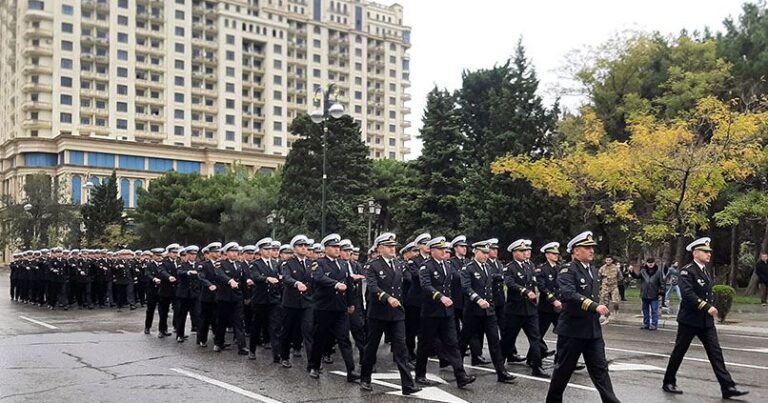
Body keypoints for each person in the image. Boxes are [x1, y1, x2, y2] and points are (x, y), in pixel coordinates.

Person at [662, 237, 748, 399]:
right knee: (679, 352)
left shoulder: (704, 271)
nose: (709, 254)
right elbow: (688, 295)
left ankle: (727, 386)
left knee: (716, 354)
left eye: (709, 251)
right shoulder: (687, 271)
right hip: (690, 320)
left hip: (705, 322)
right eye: (705, 251)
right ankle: (668, 381)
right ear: (695, 253)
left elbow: (707, 293)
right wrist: (707, 307)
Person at [546, 231, 620, 403]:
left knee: (600, 370)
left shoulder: (593, 270)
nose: (591, 251)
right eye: (587, 248)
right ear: (575, 251)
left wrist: (599, 309)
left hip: (592, 331)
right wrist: (595, 307)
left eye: (592, 247)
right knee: (563, 371)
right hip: (573, 330)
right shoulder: (567, 270)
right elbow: (568, 293)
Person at [360, 233, 420, 395]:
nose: (393, 249)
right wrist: (387, 298)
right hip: (378, 312)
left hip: (397, 313)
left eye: (394, 246)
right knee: (371, 347)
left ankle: (407, 384)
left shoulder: (399, 264)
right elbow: (372, 287)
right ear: (380, 248)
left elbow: (409, 282)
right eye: (389, 246)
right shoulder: (372, 265)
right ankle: (365, 378)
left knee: (401, 348)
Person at [415, 236, 476, 389]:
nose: (444, 252)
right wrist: (441, 297)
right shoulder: (426, 267)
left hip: (447, 313)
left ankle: (461, 376)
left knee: (452, 343)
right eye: (441, 249)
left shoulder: (448, 266)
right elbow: (426, 286)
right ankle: (420, 374)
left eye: (445, 249)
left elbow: (458, 282)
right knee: (425, 344)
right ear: (432, 251)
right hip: (431, 312)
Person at [459, 240, 516, 384]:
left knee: (494, 342)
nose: (485, 255)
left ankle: (501, 372)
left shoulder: (489, 268)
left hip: (488, 312)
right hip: (473, 311)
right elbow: (466, 288)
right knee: (464, 341)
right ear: (475, 252)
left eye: (486, 252)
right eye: (482, 252)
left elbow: (493, 284)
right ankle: (459, 372)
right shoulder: (468, 269)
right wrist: (477, 299)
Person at [307, 234, 359, 382]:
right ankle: (315, 366)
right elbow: (319, 278)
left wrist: (351, 303)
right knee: (320, 338)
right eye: (334, 247)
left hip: (340, 308)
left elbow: (348, 285)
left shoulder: (343, 264)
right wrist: (335, 284)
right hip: (323, 308)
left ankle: (351, 371)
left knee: (344, 339)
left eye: (338, 247)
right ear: (326, 249)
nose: (337, 250)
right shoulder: (319, 263)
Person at [502, 239, 549, 378]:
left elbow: (534, 283)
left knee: (535, 338)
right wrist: (524, 291)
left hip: (530, 309)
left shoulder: (529, 266)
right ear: (514, 253)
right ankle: (500, 367)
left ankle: (537, 366)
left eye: (525, 251)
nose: (525, 253)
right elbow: (509, 283)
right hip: (515, 310)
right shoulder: (509, 267)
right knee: (508, 339)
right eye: (521, 251)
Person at [279, 235, 315, 369]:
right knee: (287, 331)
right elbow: (286, 278)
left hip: (307, 303)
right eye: (301, 246)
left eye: (306, 246)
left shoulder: (312, 263)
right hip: (291, 303)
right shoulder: (287, 263)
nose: (304, 248)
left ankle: (312, 362)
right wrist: (296, 283)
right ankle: (284, 357)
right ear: (294, 249)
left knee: (308, 332)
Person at [213, 242, 248, 355]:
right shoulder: (220, 264)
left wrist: (246, 296)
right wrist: (229, 281)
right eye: (232, 251)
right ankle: (218, 343)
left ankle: (242, 346)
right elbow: (219, 275)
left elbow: (243, 282)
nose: (234, 253)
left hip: (237, 298)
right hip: (224, 297)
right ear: (227, 253)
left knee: (239, 322)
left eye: (236, 251)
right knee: (222, 321)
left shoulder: (239, 265)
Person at [404, 232, 431, 363]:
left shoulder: (432, 261)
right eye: (425, 244)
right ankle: (409, 353)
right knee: (411, 329)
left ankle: (422, 353)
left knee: (425, 330)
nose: (428, 246)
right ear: (419, 246)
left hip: (428, 301)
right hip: (415, 301)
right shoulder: (413, 261)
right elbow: (416, 276)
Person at [535, 241, 562, 358]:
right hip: (546, 307)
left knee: (563, 333)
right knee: (538, 334)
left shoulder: (559, 268)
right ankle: (533, 358)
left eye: (557, 254)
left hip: (558, 307)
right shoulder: (542, 269)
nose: (556, 255)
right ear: (547, 255)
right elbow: (542, 287)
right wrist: (553, 300)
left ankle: (562, 359)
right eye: (553, 253)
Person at [196, 243, 221, 347]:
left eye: (218, 251)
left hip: (219, 295)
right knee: (205, 319)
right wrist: (209, 285)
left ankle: (218, 339)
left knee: (217, 318)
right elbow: (201, 277)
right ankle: (202, 339)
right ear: (209, 253)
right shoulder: (204, 265)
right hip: (207, 296)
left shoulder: (221, 264)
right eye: (215, 252)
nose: (217, 253)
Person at [630, 258, 665, 330]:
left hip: (654, 294)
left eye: (652, 263)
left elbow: (662, 282)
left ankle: (654, 324)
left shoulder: (658, 272)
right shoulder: (643, 271)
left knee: (654, 310)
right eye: (649, 263)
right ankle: (646, 323)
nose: (650, 264)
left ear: (654, 263)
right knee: (645, 310)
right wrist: (632, 271)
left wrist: (661, 292)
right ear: (646, 263)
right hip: (644, 294)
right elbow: (636, 276)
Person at [175, 246, 200, 342]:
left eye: (194, 254)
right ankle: (180, 334)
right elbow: (179, 272)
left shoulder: (199, 265)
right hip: (184, 294)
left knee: (197, 315)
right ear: (187, 255)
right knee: (182, 315)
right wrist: (188, 272)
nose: (193, 256)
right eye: (191, 254)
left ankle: (200, 337)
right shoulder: (182, 265)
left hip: (195, 294)